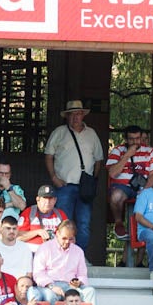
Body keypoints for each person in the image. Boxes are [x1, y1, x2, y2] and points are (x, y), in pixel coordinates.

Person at [43, 100, 103, 249]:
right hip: (64, 186)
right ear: (67, 116)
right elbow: (48, 156)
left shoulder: (92, 134)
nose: (75, 117)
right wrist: (54, 178)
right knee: (63, 222)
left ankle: (79, 256)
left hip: (84, 187)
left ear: (83, 115)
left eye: (78, 114)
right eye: (71, 114)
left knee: (83, 224)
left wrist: (92, 181)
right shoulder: (59, 132)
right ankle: (61, 253)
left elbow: (98, 160)